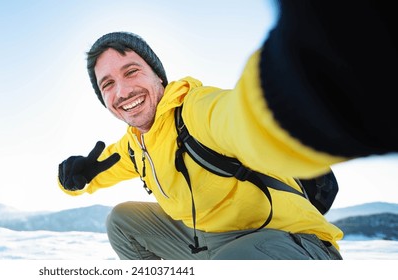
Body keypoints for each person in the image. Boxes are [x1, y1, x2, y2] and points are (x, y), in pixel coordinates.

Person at [57, 0, 397, 260]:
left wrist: (296, 95)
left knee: (233, 263)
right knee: (122, 222)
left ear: (158, 75)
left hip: (291, 242)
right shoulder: (135, 147)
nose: (122, 91)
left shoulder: (196, 109)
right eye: (108, 84)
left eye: (131, 71)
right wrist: (73, 178)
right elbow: (93, 176)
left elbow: (243, 120)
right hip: (212, 243)